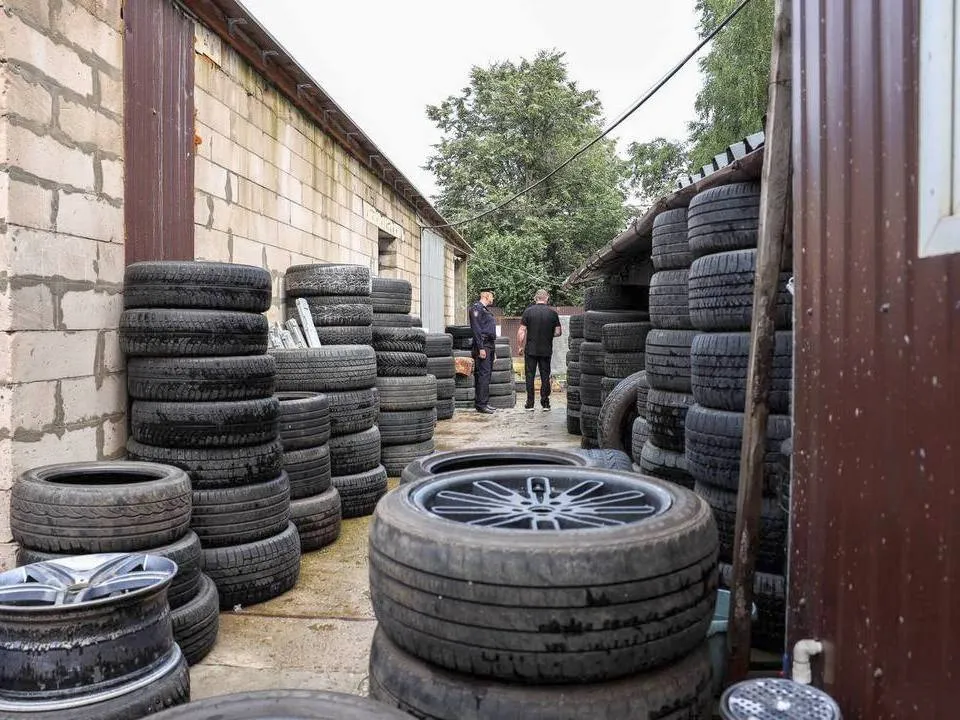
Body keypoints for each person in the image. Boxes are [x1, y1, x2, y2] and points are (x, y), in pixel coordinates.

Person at [517, 289, 562, 410]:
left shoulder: (528, 312)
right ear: (547, 298)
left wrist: (520, 346)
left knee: (530, 376)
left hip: (531, 350)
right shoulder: (553, 314)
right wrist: (548, 335)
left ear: (535, 298)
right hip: (546, 350)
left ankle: (530, 403)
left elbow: (521, 331)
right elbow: (558, 332)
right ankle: (545, 403)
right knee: (545, 375)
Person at [469, 287, 498, 414]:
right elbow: (476, 329)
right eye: (492, 295)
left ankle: (484, 402)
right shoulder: (476, 308)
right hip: (483, 344)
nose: (493, 298)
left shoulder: (485, 310)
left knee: (487, 375)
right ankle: (481, 405)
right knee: (483, 375)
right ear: (486, 296)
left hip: (489, 345)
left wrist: (493, 351)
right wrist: (480, 348)